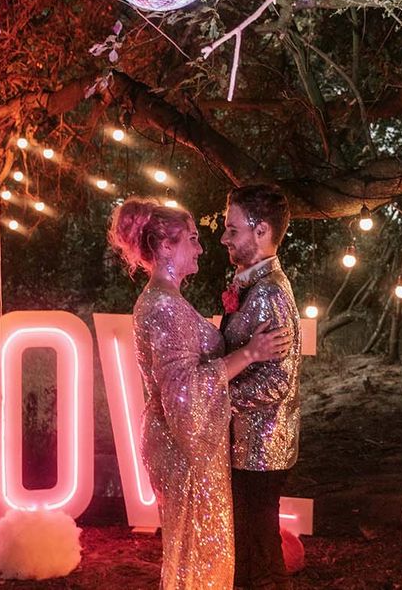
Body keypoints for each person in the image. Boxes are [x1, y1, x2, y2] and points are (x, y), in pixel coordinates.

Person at [108, 198, 291, 590]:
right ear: (165, 247)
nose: (202, 247)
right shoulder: (162, 307)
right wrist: (250, 353)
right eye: (192, 239)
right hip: (182, 446)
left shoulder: (167, 300)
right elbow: (184, 393)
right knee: (199, 550)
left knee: (198, 547)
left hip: (184, 443)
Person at [220, 185, 302, 590]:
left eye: (232, 229)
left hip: (259, 448)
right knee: (251, 551)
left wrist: (215, 397)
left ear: (262, 230)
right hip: (248, 445)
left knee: (261, 561)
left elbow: (277, 380)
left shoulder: (269, 294)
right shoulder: (251, 284)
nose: (224, 238)